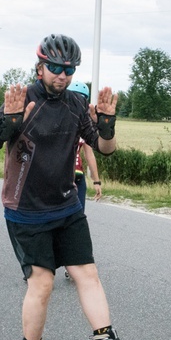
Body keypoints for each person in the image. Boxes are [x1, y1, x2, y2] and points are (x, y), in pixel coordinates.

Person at [0, 33, 159, 340]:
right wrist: (9, 123)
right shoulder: (22, 99)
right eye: (55, 68)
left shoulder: (76, 103)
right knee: (41, 285)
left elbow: (104, 149)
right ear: (40, 66)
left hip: (67, 206)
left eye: (69, 70)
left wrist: (107, 124)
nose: (62, 76)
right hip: (25, 210)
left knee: (86, 274)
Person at [63, 80, 102, 280]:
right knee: (56, 223)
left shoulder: (82, 124)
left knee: (76, 223)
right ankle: (40, 266)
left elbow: (90, 154)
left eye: (82, 100)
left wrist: (96, 181)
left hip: (78, 180)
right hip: (59, 181)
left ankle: (73, 264)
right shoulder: (59, 121)